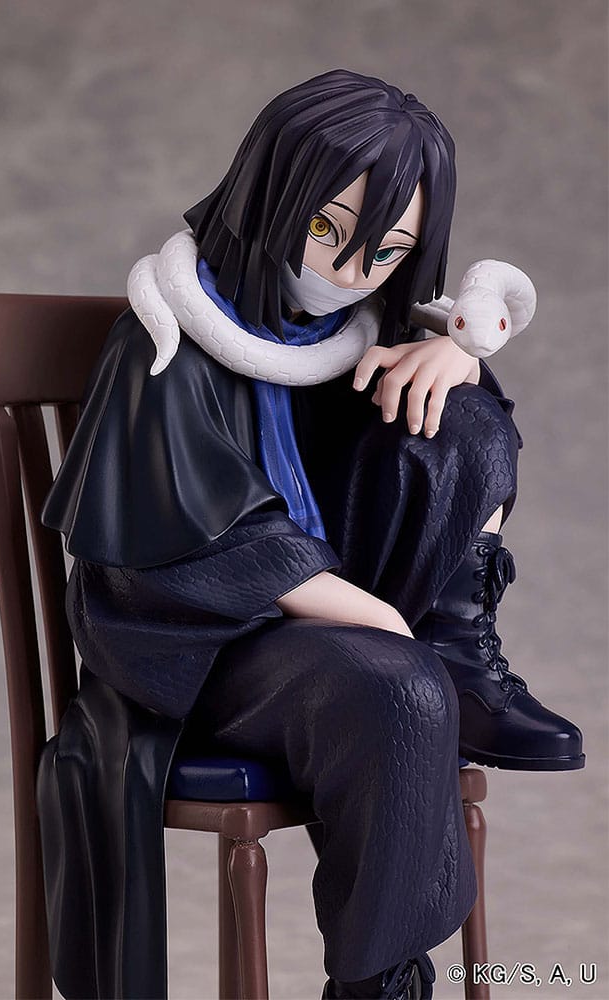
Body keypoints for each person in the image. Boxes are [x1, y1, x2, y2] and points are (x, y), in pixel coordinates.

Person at [40, 70, 584, 1000]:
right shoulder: (163, 339)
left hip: (332, 634)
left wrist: (454, 356)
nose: (349, 273)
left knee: (458, 419)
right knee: (399, 686)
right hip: (202, 651)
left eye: (386, 252)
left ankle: (459, 647)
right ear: (271, 194)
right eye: (327, 230)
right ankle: (385, 984)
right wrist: (376, 618)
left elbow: (436, 457)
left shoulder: (349, 336)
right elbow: (194, 536)